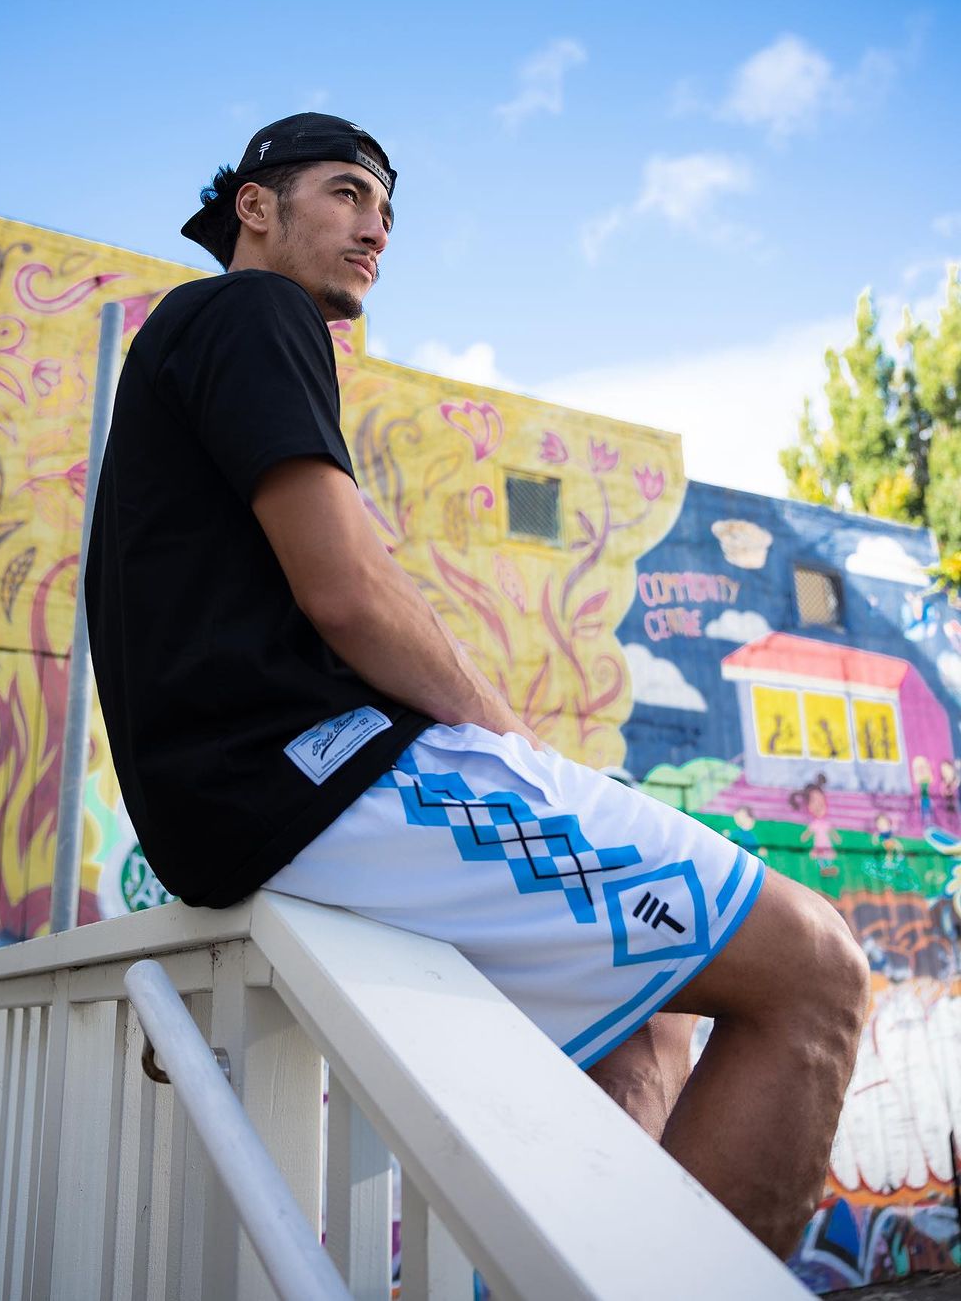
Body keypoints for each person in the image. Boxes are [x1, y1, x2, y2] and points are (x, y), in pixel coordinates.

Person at [85, 112, 870, 1260]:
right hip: (311, 780)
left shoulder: (193, 346)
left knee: (644, 1036)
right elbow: (347, 592)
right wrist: (520, 748)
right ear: (255, 206)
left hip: (248, 805)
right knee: (817, 971)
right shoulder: (253, 311)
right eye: (348, 194)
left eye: (389, 212)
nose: (377, 230)